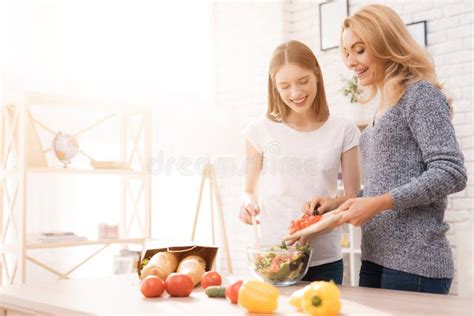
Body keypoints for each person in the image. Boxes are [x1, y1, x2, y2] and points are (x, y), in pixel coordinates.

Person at [305, 4, 467, 294]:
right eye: (346, 52)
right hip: (376, 257)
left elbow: (451, 172)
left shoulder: (420, 95)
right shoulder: (381, 106)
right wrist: (339, 203)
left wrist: (377, 204)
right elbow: (386, 187)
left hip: (415, 264)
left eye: (359, 49)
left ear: (386, 44)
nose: (351, 61)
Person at [239, 40, 361, 284]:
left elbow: (354, 197)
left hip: (324, 259)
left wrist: (330, 204)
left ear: (316, 74)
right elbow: (248, 191)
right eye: (284, 86)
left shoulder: (343, 129)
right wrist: (247, 205)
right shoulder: (259, 130)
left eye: (303, 81)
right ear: (274, 87)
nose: (295, 93)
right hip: (274, 254)